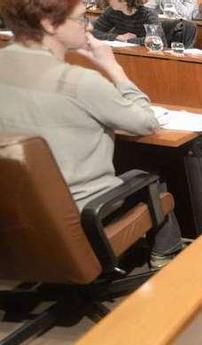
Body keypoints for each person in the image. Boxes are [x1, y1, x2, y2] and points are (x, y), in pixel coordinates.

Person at [0, 0, 183, 264]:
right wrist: (113, 68)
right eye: (82, 19)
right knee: (150, 174)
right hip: (80, 215)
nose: (90, 27)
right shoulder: (80, 83)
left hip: (12, 217)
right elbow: (146, 123)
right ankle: (166, 257)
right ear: (50, 24)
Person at [91, 0, 158, 45]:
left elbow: (157, 40)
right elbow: (92, 32)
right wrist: (117, 37)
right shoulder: (111, 11)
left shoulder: (148, 14)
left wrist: (130, 40)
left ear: (124, 1)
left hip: (145, 56)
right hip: (120, 54)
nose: (108, 1)